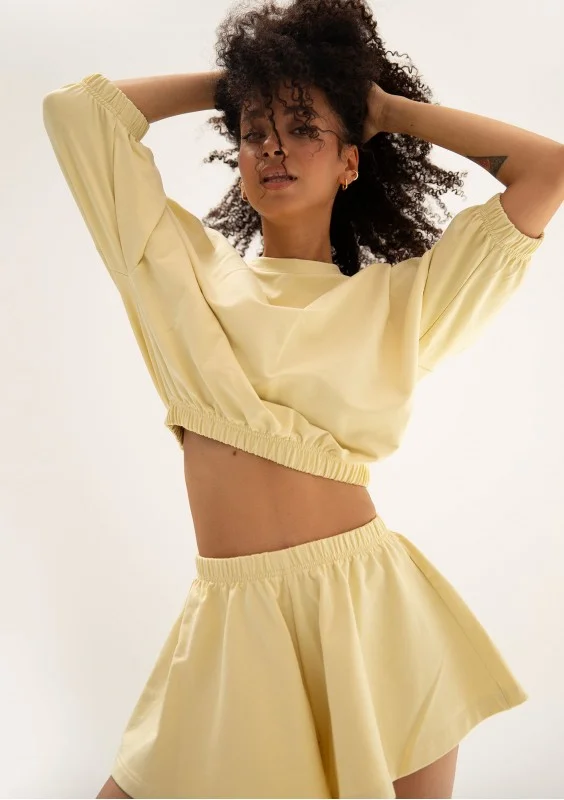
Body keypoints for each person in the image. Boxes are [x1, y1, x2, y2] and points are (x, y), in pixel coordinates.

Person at [42, 0, 564, 796]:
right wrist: (245, 83)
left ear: (352, 161)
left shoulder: (402, 301)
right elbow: (76, 112)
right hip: (232, 618)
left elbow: (547, 169)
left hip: (370, 610)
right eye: (254, 132)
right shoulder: (179, 268)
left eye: (302, 127)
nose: (273, 146)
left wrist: (378, 106)